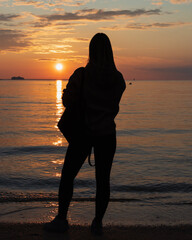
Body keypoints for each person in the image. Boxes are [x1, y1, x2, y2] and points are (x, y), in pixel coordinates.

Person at [44, 33, 126, 236]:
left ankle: (62, 219)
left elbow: (67, 102)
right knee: (103, 180)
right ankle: (97, 223)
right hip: (107, 134)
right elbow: (113, 105)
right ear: (110, 52)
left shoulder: (81, 75)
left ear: (91, 52)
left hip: (83, 134)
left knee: (68, 176)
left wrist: (67, 93)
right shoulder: (118, 79)